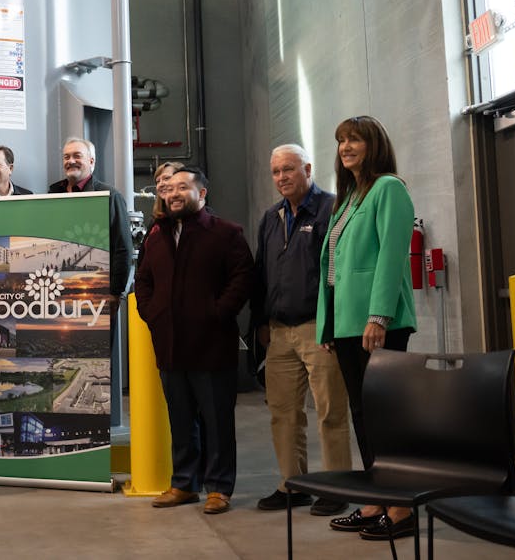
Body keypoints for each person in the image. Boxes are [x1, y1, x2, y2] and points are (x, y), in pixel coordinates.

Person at [316, 116, 418, 542]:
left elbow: (392, 256)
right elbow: (333, 269)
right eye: (341, 140)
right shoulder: (349, 197)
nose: (346, 147)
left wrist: (379, 316)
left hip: (377, 323)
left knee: (386, 415)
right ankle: (377, 499)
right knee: (362, 414)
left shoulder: (388, 189)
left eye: (354, 139)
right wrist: (328, 325)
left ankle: (401, 507)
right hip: (346, 323)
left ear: (372, 145)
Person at [134, 166, 254, 515]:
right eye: (169, 189)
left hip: (212, 344)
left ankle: (219, 487)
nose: (173, 194)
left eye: (182, 188)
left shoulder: (226, 233)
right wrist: (151, 313)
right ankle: (184, 483)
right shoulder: (156, 236)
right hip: (170, 343)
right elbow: (143, 281)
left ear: (202, 194)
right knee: (181, 418)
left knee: (217, 420)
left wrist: (217, 313)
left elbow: (242, 277)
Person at [251, 144, 352, 515]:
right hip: (278, 332)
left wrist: (335, 326)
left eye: (289, 170)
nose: (281, 178)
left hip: (319, 329)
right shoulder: (271, 217)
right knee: (283, 412)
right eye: (276, 172)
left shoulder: (332, 208)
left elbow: (338, 273)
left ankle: (336, 486)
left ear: (308, 168)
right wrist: (260, 322)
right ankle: (293, 485)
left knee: (330, 411)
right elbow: (261, 273)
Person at [49, 138, 133, 297]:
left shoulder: (109, 196)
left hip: (98, 291)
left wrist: (115, 293)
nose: (71, 161)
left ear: (91, 160)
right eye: (66, 157)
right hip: (59, 289)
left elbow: (122, 248)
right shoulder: (53, 194)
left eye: (77, 156)